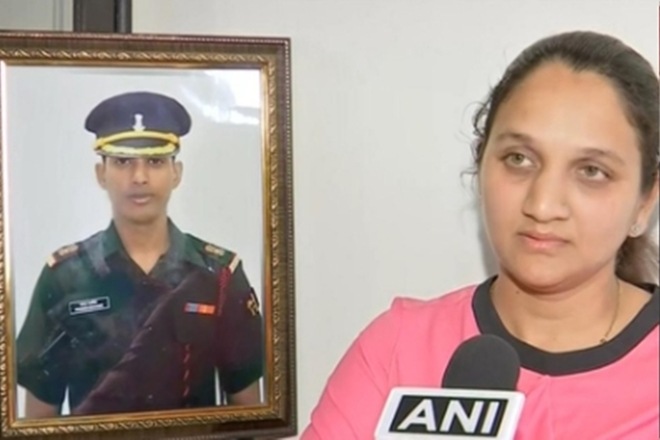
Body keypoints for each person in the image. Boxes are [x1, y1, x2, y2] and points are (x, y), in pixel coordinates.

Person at [302, 30, 659, 439]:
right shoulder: (398, 349)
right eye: (519, 159)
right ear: (481, 163)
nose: (543, 205)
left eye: (591, 171)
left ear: (644, 202)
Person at [16, 91, 265, 418]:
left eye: (155, 162)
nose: (139, 177)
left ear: (176, 173)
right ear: (101, 174)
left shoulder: (219, 276)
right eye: (122, 162)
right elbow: (38, 419)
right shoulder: (65, 278)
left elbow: (249, 413)